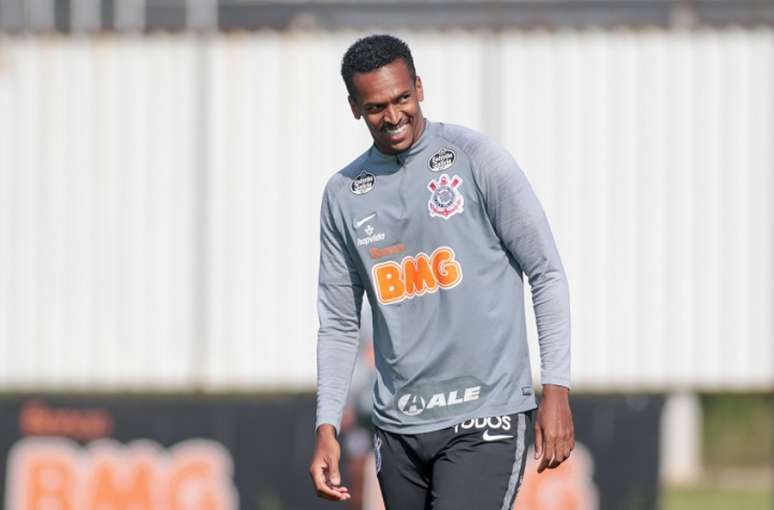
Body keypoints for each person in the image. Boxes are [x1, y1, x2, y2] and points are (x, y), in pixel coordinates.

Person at [309, 34, 574, 509]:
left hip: (486, 415)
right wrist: (326, 423)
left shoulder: (476, 160)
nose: (392, 117)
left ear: (420, 88)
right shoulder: (344, 194)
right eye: (375, 107)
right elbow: (339, 322)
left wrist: (555, 388)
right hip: (399, 427)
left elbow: (546, 271)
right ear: (354, 108)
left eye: (402, 98)